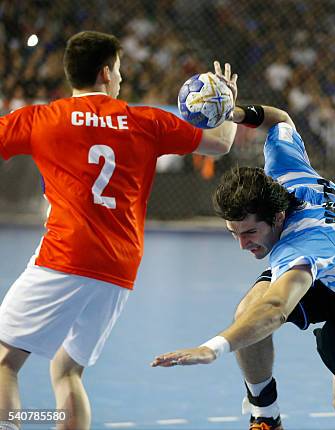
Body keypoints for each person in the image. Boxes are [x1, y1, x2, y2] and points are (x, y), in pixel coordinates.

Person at [0, 31, 238, 430]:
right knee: (67, 371)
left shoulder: (42, 118)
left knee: (5, 362)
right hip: (119, 269)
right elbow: (220, 144)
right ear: (106, 72)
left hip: (64, 256)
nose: (123, 78)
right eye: (121, 70)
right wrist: (226, 103)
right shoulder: (145, 121)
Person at [151, 103, 335, 430]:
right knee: (248, 310)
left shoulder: (300, 246)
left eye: (249, 233)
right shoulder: (283, 168)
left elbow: (275, 308)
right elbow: (281, 119)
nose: (243, 245)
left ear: (276, 218)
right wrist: (234, 112)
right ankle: (266, 415)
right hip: (334, 267)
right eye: (234, 234)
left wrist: (212, 348)